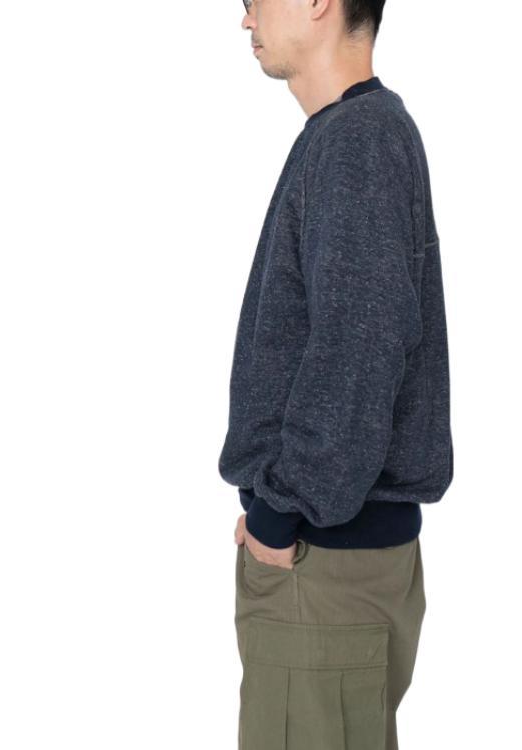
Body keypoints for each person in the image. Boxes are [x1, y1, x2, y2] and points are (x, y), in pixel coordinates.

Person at [219, 1, 453, 746]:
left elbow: (359, 350)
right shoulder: (354, 134)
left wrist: (279, 515)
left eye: (255, 0)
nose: (245, 20)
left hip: (323, 566)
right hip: (331, 564)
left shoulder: (358, 142)